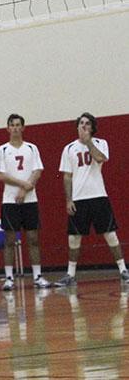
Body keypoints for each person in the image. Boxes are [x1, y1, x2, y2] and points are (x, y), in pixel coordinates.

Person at [54, 113, 129, 287]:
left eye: (87, 123)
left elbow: (100, 158)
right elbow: (66, 176)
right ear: (77, 126)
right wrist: (68, 199)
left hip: (98, 195)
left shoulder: (100, 143)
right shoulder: (69, 148)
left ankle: (123, 270)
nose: (84, 126)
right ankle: (70, 275)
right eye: (81, 123)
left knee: (110, 234)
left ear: (92, 127)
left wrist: (88, 141)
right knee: (74, 238)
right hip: (79, 198)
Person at [0, 114, 50, 290]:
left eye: (18, 125)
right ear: (7, 128)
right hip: (10, 201)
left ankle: (37, 276)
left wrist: (26, 189)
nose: (15, 128)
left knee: (33, 238)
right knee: (9, 240)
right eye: (12, 125)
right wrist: (22, 184)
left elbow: (37, 170)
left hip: (30, 200)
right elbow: (1, 175)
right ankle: (9, 278)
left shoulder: (32, 148)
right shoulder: (1, 150)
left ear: (23, 128)